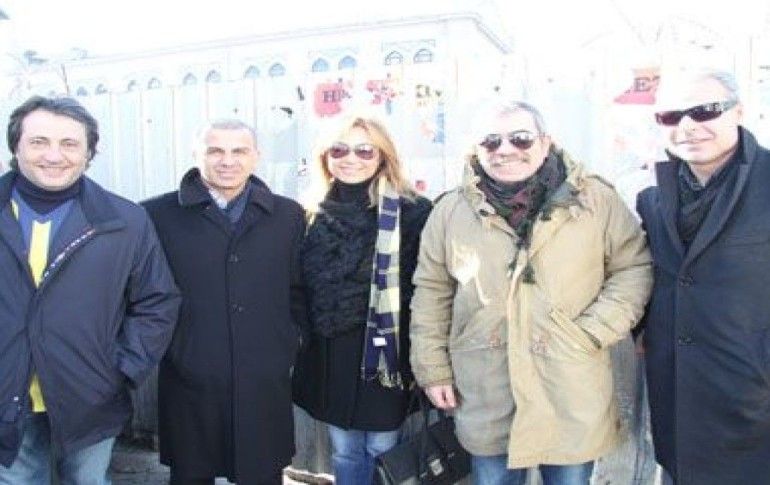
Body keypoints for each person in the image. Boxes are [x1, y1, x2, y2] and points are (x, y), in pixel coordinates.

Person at [410, 100, 652, 485]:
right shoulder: (451, 211)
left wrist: (589, 332)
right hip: (487, 387)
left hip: (569, 383)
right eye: (491, 141)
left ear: (545, 142)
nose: (505, 150)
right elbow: (432, 291)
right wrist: (433, 369)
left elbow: (632, 267)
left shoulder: (594, 200)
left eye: (521, 139)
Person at [0, 95, 180, 484]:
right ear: (15, 147)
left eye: (69, 143)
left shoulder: (125, 221)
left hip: (89, 397)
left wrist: (121, 369)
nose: (54, 155)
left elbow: (157, 301)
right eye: (39, 142)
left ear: (89, 153)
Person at [142, 120, 307, 485]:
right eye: (215, 150)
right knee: (191, 471)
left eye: (239, 151)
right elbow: (144, 294)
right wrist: (175, 347)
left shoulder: (287, 215)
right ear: (196, 155)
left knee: (262, 471)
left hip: (263, 376)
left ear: (256, 156)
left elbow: (297, 290)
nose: (227, 161)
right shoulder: (156, 215)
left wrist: (286, 345)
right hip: (190, 374)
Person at [637, 68, 770, 485]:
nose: (688, 126)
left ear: (739, 112)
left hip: (754, 407)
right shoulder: (651, 198)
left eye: (705, 110)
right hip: (678, 402)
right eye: (671, 116)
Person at [292, 115, 431, 485]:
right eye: (339, 149)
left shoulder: (412, 211)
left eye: (364, 150)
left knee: (382, 447)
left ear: (382, 156)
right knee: (344, 450)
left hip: (386, 354)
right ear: (325, 157)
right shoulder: (309, 213)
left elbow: (428, 289)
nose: (350, 159)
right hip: (330, 353)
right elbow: (297, 285)